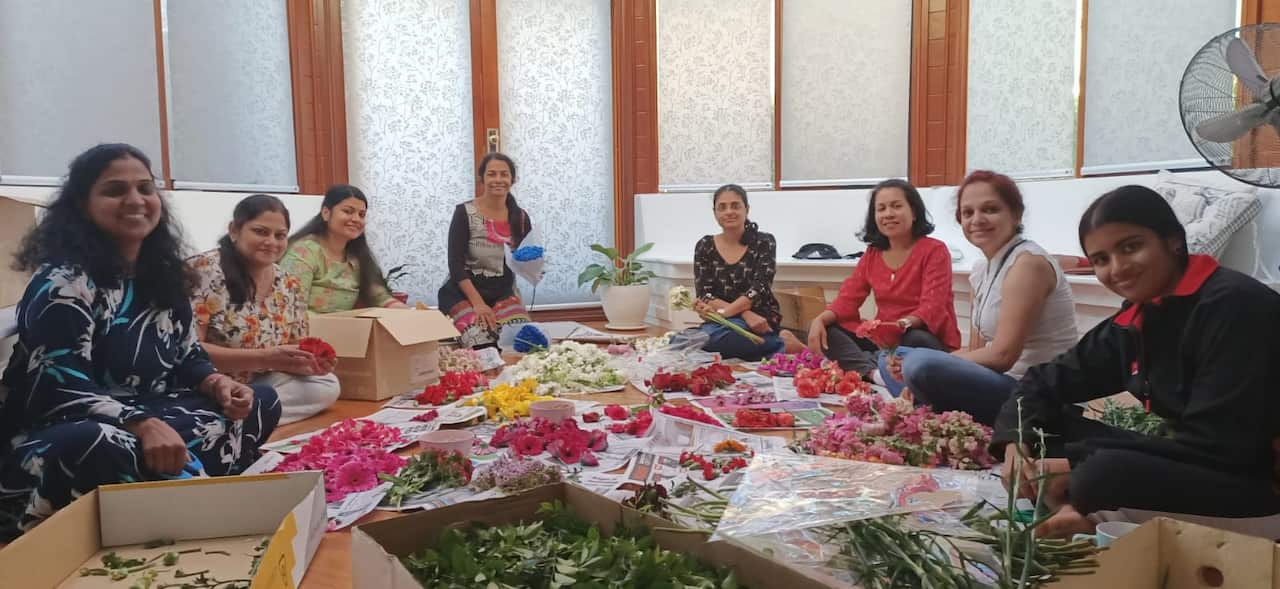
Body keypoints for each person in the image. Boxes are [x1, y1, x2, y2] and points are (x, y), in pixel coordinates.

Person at [0, 144, 280, 535]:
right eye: (115, 190)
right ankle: (178, 485)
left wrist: (219, 383)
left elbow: (189, 356)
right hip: (67, 425)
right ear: (83, 204)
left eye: (145, 189)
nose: (135, 200)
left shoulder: (162, 275)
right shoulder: (65, 283)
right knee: (98, 443)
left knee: (261, 400)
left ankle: (163, 486)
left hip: (153, 411)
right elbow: (59, 389)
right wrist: (142, 424)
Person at [994, 185, 1280, 538]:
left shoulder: (1234, 308)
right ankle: (1086, 509)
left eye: (1131, 247)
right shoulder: (1140, 317)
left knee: (1102, 474)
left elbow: (1218, 448)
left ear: (1173, 241)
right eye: (1101, 259)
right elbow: (1044, 380)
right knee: (1043, 429)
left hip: (1255, 480)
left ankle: (1089, 513)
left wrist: (1076, 461)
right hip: (1193, 458)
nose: (1118, 269)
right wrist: (1015, 442)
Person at [882, 171, 1078, 424]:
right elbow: (976, 349)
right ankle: (930, 405)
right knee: (892, 357)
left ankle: (928, 405)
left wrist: (933, 363)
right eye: (968, 213)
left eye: (990, 209)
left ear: (1016, 215)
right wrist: (914, 364)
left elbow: (1002, 356)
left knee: (919, 365)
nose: (977, 220)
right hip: (999, 385)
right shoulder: (980, 270)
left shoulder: (1027, 264)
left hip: (1036, 394)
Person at [189, 194, 341, 425]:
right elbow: (189, 352)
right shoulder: (203, 272)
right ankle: (240, 417)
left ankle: (241, 417)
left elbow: (292, 348)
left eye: (280, 235)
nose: (271, 242)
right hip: (209, 384)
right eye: (260, 232)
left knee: (327, 384)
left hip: (259, 382)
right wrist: (262, 358)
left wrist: (309, 362)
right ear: (234, 230)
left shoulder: (287, 283)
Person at [807, 179, 961, 378]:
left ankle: (876, 366)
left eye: (896, 206)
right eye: (881, 208)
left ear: (914, 212)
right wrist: (819, 320)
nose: (888, 214)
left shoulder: (934, 250)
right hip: (885, 340)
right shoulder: (872, 253)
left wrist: (900, 325)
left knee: (915, 338)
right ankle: (874, 374)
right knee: (824, 328)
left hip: (920, 338)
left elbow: (933, 307)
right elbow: (848, 298)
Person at [690, 184, 804, 360]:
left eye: (735, 206)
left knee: (713, 339)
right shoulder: (704, 246)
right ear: (715, 213)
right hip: (726, 320)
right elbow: (705, 294)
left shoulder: (764, 242)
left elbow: (759, 288)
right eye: (722, 207)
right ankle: (779, 344)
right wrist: (741, 313)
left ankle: (780, 344)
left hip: (760, 318)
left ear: (747, 209)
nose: (729, 212)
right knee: (685, 340)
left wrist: (726, 313)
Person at [437, 152, 533, 349]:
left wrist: (534, 266)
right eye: (492, 174)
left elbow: (525, 260)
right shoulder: (464, 212)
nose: (498, 180)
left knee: (523, 341)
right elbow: (454, 264)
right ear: (482, 179)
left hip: (503, 291)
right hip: (463, 292)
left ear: (512, 180)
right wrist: (479, 304)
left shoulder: (521, 217)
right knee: (482, 341)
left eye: (504, 174)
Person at [281, 184, 407, 314]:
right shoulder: (304, 252)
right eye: (348, 211)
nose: (356, 219)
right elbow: (291, 307)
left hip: (344, 329)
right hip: (305, 329)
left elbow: (379, 296)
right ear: (326, 213)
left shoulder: (356, 257)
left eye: (361, 214)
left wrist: (408, 311)